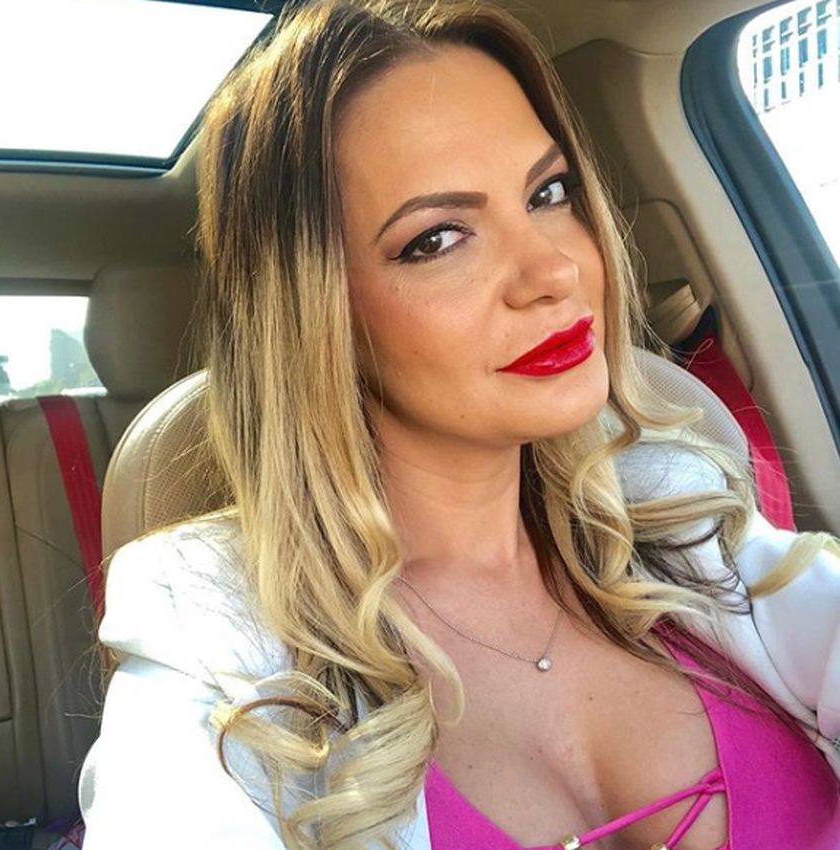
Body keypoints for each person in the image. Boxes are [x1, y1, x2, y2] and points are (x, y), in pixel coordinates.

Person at [78, 1, 840, 848]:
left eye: (549, 193)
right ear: (317, 317)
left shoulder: (680, 511)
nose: (554, 270)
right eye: (438, 238)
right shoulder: (209, 641)